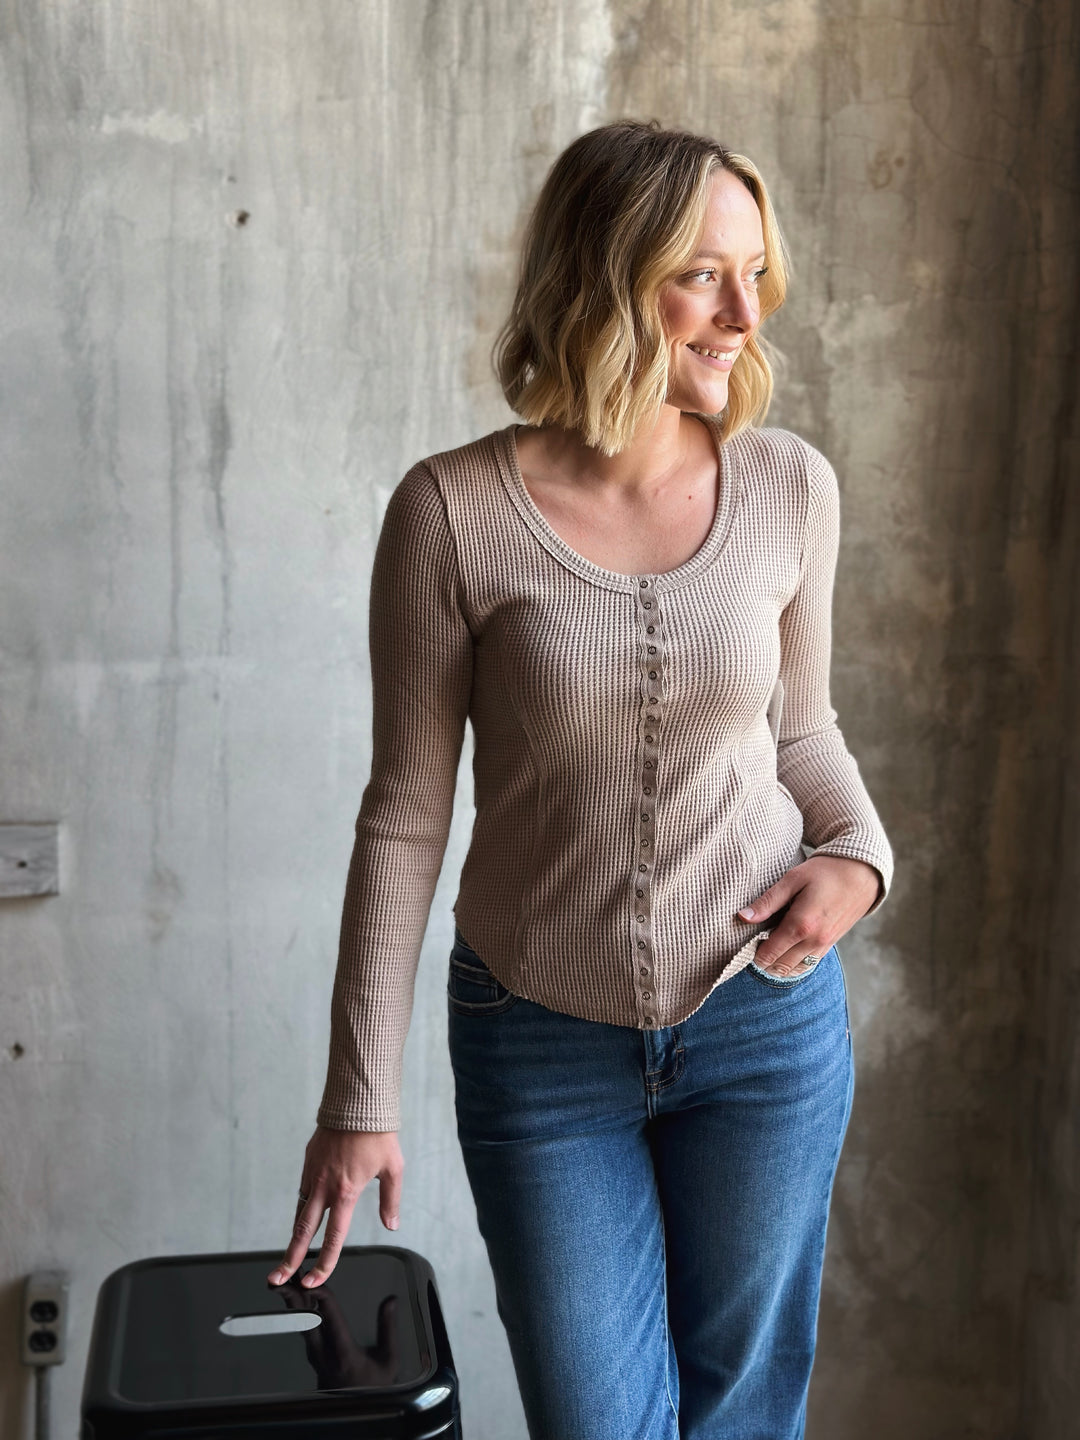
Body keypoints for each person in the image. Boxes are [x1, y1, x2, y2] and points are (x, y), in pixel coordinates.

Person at [269, 120, 892, 1440]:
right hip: (538, 1038)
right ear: (606, 281)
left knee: (742, 1415)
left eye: (754, 275)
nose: (745, 316)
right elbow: (405, 814)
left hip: (764, 1023)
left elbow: (804, 733)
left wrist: (859, 857)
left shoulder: (789, 486)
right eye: (702, 277)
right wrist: (358, 1098)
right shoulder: (451, 512)